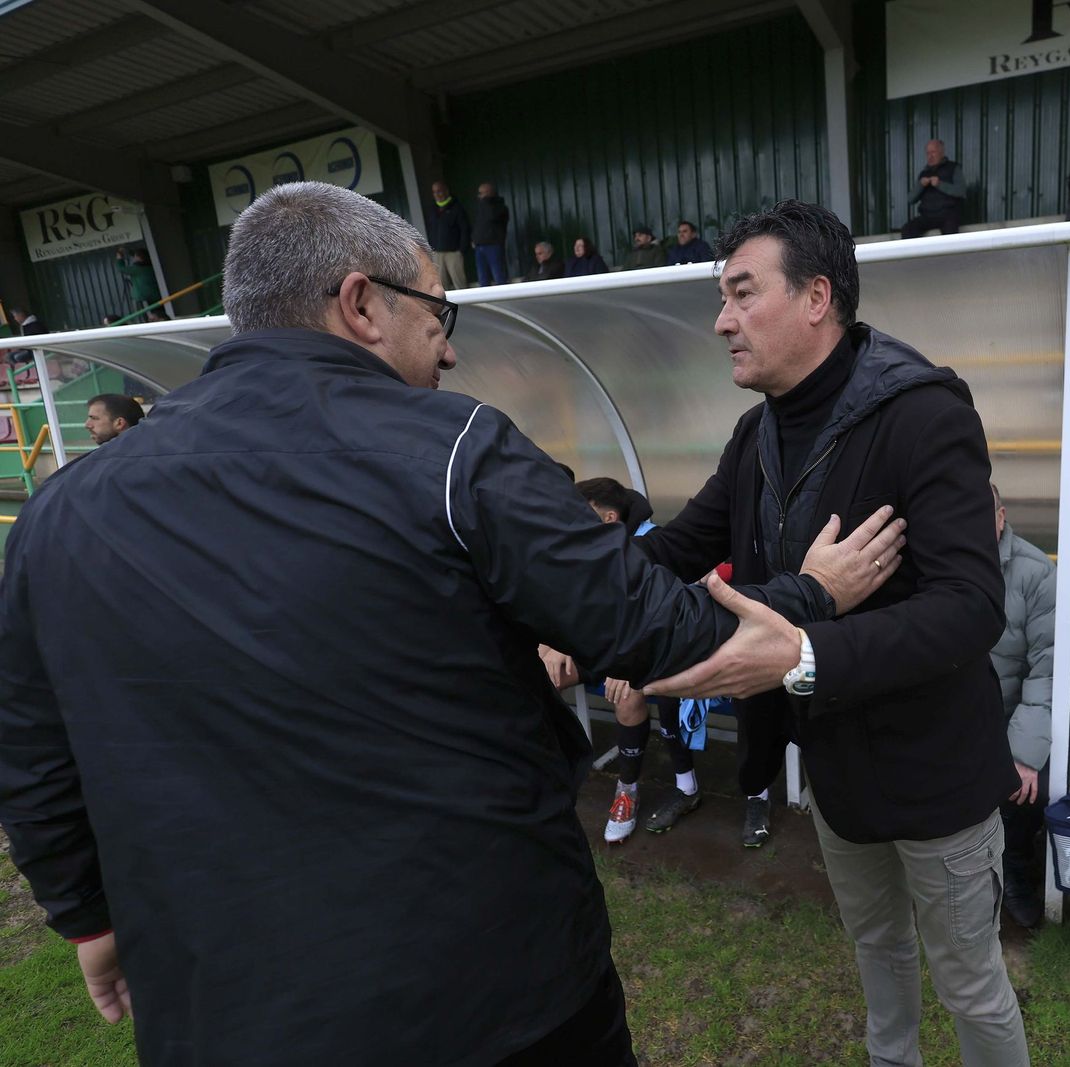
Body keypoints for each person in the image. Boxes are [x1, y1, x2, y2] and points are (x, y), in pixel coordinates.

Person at [0, 181, 904, 1066]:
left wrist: (85, 913)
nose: (449, 354)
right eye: (440, 317)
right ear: (361, 304)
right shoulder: (453, 451)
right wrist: (810, 593)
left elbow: (33, 755)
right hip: (487, 991)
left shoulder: (60, 511)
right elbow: (663, 630)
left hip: (218, 1009)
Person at [632, 199, 1030, 1064]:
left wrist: (808, 651)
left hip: (939, 782)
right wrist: (570, 592)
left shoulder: (925, 413)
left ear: (817, 298)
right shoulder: (757, 434)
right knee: (878, 957)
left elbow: (971, 604)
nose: (721, 320)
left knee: (970, 984)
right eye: (722, 296)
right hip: (840, 778)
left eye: (742, 293)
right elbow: (672, 550)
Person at [570, 477, 720, 843]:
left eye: (581, 512)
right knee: (544, 670)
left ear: (607, 517)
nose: (572, 521)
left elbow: (668, 612)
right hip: (613, 647)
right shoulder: (589, 548)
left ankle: (628, 789)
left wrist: (626, 661)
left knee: (630, 692)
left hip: (657, 650)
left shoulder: (652, 543)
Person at [988, 484, 1055, 929]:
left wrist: (1023, 756)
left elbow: (1046, 670)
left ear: (1002, 516)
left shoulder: (1035, 573)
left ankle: (1013, 868)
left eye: (981, 516)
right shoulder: (937, 562)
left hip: (1008, 715)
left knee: (1025, 782)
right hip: (956, 711)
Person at [900, 138, 965, 240]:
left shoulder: (953, 168)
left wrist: (940, 184)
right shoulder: (924, 173)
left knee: (950, 233)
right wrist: (920, 185)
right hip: (928, 216)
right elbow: (910, 199)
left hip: (947, 214)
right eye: (928, 153)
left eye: (933, 152)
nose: (930, 156)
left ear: (941, 152)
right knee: (907, 230)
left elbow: (961, 191)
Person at [426, 180, 472, 289]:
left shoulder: (457, 207)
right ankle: (447, 305)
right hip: (437, 252)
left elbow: (465, 229)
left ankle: (466, 304)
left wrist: (461, 249)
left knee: (459, 282)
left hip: (454, 252)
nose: (437, 194)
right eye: (434, 192)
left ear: (446, 191)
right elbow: (431, 229)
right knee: (441, 283)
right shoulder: (432, 209)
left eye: (439, 191)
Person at [472, 182, 511, 286]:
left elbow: (491, 217)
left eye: (482, 193)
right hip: (480, 246)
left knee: (499, 275)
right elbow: (479, 225)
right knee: (482, 277)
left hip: (494, 245)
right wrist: (475, 239)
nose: (479, 196)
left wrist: (486, 201)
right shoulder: (481, 207)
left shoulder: (500, 207)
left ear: (489, 193)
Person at [115, 248, 166, 318]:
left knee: (146, 316)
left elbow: (121, 269)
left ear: (139, 257)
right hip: (156, 295)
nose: (134, 258)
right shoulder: (150, 266)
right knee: (159, 313)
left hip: (143, 297)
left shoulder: (136, 269)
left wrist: (119, 258)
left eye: (135, 256)